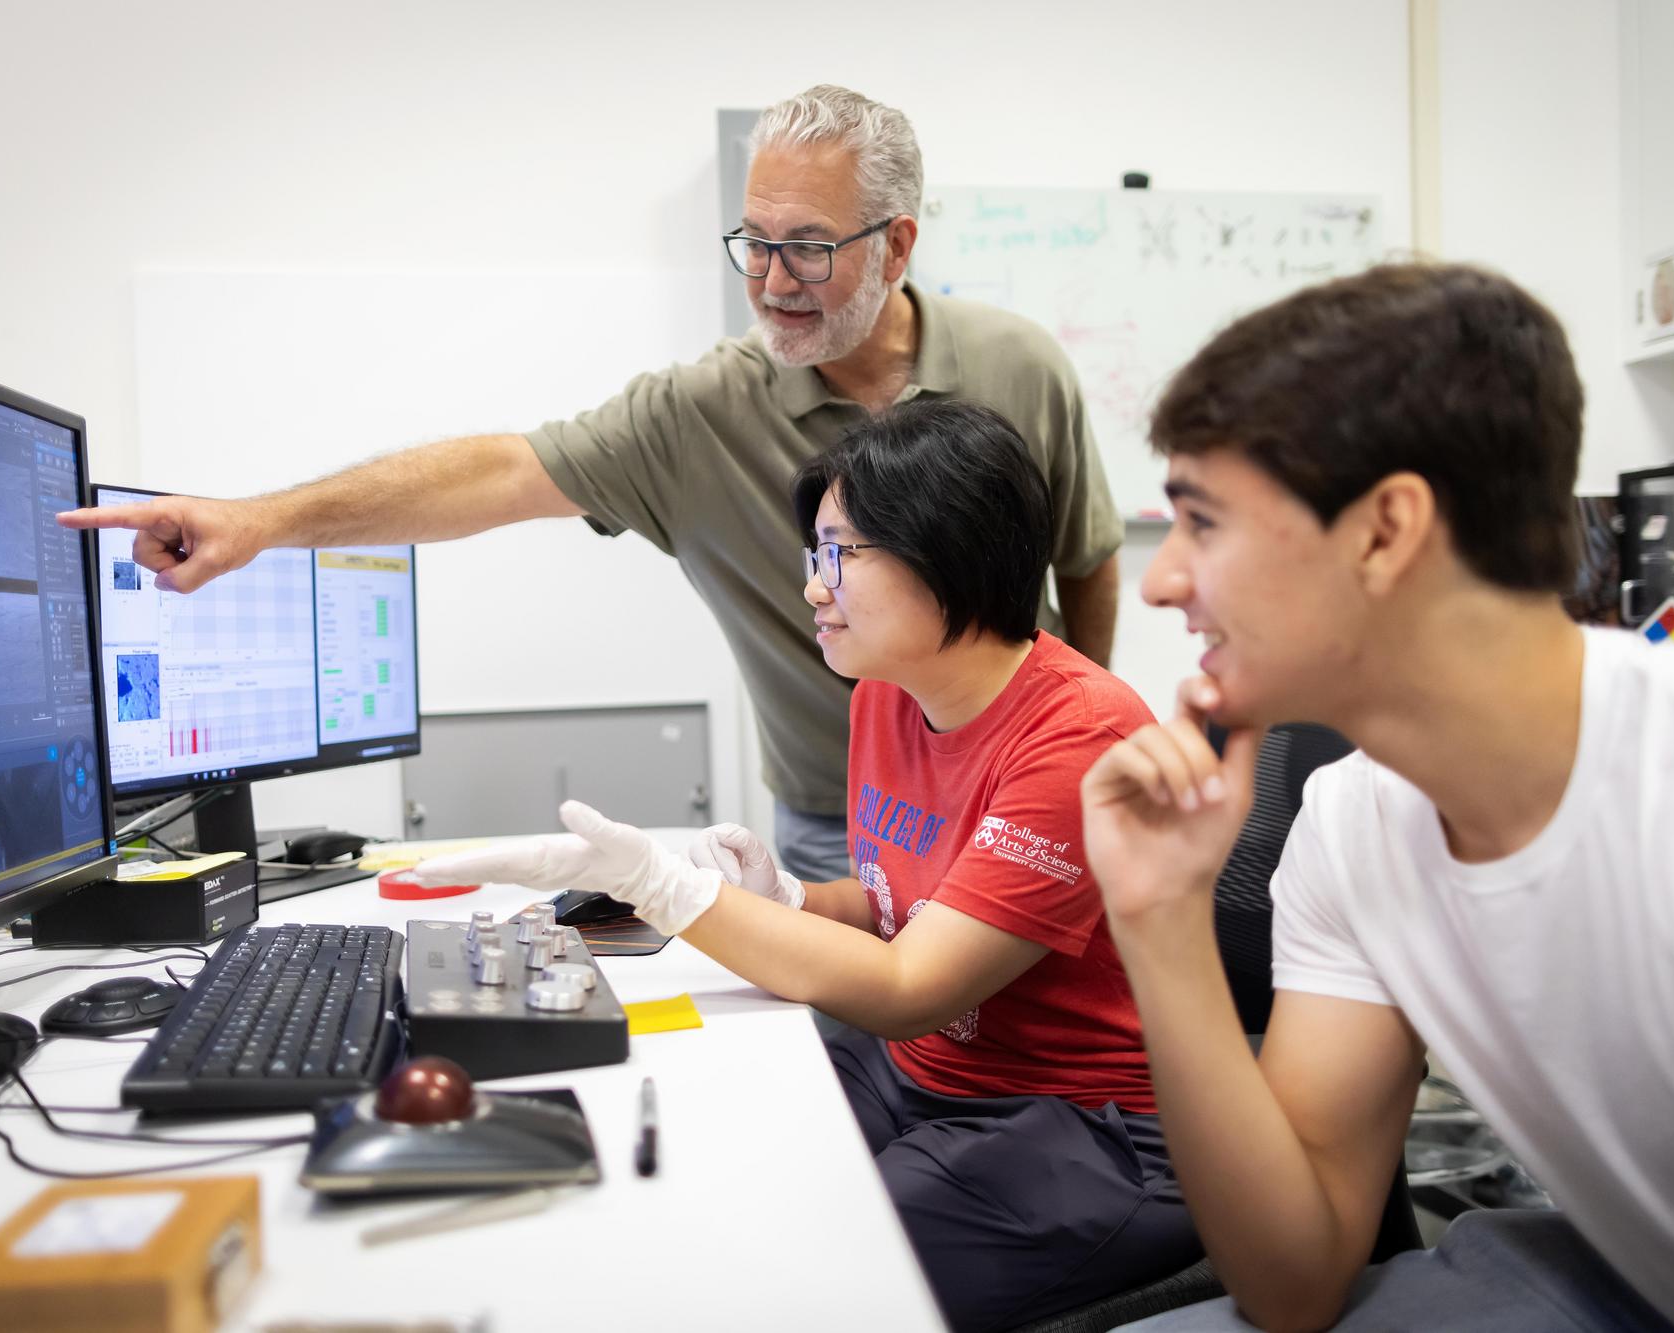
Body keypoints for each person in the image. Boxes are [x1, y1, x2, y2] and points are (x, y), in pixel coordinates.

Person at [56, 84, 1124, 881]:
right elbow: (502, 471)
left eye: (807, 246)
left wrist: (1061, 746)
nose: (768, 280)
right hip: (842, 820)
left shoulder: (1017, 366)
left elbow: (1084, 560)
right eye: (753, 241)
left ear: (896, 244)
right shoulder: (702, 412)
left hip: (1016, 807)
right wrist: (263, 522)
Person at [1081, 263, 1674, 1332]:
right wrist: (1157, 920)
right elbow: (1290, 1281)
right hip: (1633, 1273)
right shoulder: (1350, 824)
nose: (1160, 580)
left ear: (1385, 530)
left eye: (1201, 522)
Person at [418, 400, 1195, 1332]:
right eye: (812, 556)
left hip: (1080, 1119)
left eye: (840, 554)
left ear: (948, 545)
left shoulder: (1077, 737)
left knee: (800, 1269)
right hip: (926, 1072)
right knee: (700, 1139)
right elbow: (903, 910)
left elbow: (915, 984)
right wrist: (789, 899)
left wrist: (673, 891)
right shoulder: (887, 696)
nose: (814, 590)